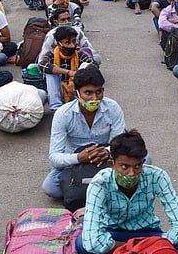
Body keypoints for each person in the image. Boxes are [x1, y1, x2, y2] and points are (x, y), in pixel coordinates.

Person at [79, 130, 178, 254]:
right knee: (82, 244)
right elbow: (92, 241)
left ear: (143, 162)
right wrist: (142, 250)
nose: (131, 173)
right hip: (113, 234)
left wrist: (151, 245)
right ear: (112, 165)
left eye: (137, 166)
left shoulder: (157, 176)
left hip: (148, 234)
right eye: (124, 166)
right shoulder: (100, 183)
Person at [43, 65, 125, 199]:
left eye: (99, 92)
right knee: (50, 187)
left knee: (145, 158)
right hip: (75, 160)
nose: (94, 98)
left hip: (104, 157)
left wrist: (107, 151)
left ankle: (88, 192)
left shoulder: (113, 108)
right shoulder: (63, 114)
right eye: (88, 93)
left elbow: (120, 143)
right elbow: (54, 157)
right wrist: (79, 158)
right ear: (76, 93)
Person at [39, 26, 96, 112]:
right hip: (59, 91)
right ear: (59, 44)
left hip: (75, 91)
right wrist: (69, 72)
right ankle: (56, 109)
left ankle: (80, 106)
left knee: (86, 66)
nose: (72, 45)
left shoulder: (79, 54)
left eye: (73, 41)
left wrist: (75, 80)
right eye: (67, 42)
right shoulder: (52, 54)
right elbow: (42, 65)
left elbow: (92, 64)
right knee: (50, 71)